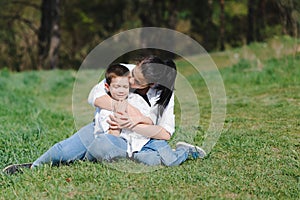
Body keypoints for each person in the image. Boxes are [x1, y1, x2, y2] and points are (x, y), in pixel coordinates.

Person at [2, 56, 206, 175]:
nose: (130, 80)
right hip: (103, 128)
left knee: (155, 159)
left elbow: (165, 132)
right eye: (133, 73)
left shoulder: (163, 97)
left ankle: (185, 152)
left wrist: (134, 123)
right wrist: (125, 108)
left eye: (136, 81)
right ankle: (33, 167)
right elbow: (95, 96)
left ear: (151, 85)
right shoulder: (124, 71)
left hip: (140, 139)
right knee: (63, 152)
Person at [93, 63, 153, 157]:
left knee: (152, 157)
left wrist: (139, 119)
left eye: (125, 87)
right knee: (107, 147)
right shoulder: (105, 111)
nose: (121, 91)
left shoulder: (137, 100)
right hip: (121, 143)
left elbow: (150, 122)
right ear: (107, 87)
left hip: (142, 142)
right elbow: (112, 137)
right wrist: (119, 116)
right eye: (117, 87)